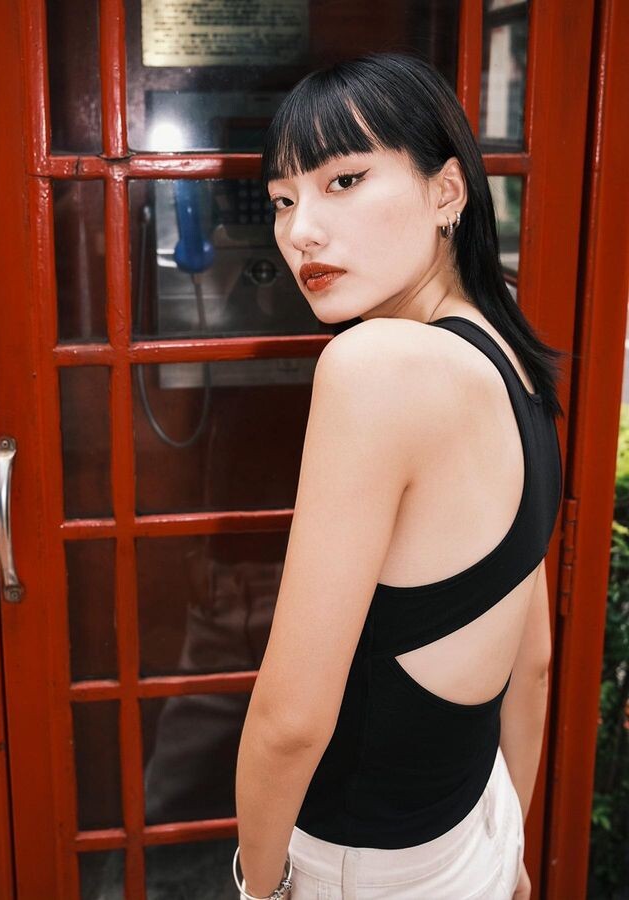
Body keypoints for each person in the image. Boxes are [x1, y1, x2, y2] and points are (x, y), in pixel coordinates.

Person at [232, 51, 566, 899]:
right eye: (282, 200)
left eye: (343, 181)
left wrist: (257, 888)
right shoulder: (508, 355)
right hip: (474, 825)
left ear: (447, 191)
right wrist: (510, 848)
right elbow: (532, 661)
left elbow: (289, 722)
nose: (301, 231)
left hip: (364, 871)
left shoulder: (374, 366)